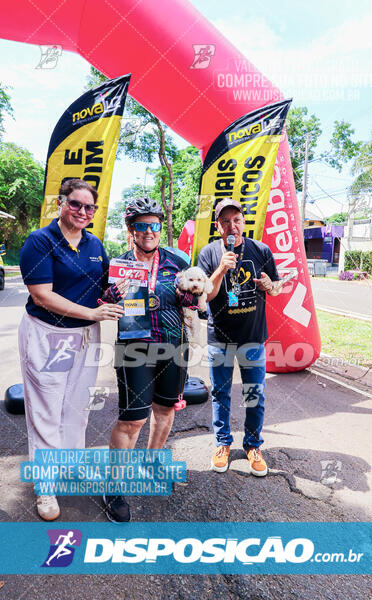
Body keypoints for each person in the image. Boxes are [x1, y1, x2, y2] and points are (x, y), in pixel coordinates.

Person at [19, 178, 124, 521]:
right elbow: (42, 295)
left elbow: (106, 284)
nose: (82, 211)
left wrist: (120, 290)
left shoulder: (95, 244)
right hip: (49, 334)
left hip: (86, 336)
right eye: (75, 204)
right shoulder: (40, 241)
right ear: (62, 204)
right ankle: (45, 486)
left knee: (78, 408)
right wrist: (92, 313)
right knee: (47, 410)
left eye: (88, 207)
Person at [103, 197, 194, 523]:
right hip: (134, 347)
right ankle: (114, 486)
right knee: (132, 420)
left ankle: (152, 461)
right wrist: (112, 295)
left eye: (154, 224)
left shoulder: (178, 259)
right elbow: (101, 301)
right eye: (141, 225)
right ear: (131, 229)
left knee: (165, 409)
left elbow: (194, 295)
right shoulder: (117, 264)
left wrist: (192, 296)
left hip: (173, 346)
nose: (149, 231)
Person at [197, 198, 283, 477]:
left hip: (252, 337)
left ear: (244, 221)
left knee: (254, 394)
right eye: (225, 221)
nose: (232, 225)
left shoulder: (261, 250)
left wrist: (271, 285)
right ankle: (223, 444)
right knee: (221, 394)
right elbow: (205, 295)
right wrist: (222, 268)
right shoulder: (208, 253)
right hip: (219, 337)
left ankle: (253, 445)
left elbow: (277, 287)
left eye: (237, 220)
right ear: (218, 225)